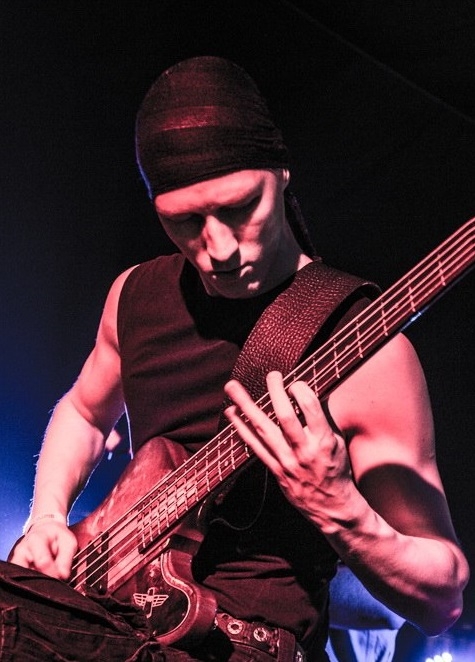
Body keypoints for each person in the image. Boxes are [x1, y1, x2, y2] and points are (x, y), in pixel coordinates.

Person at [1, 56, 469, 661]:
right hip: (114, 623)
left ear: (282, 174)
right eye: (185, 221)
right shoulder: (135, 296)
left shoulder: (366, 349)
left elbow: (441, 600)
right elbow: (85, 414)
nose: (218, 248)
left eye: (241, 207)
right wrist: (46, 518)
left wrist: (342, 510)